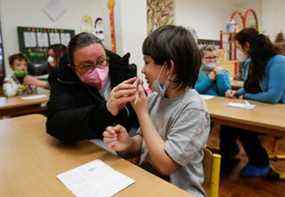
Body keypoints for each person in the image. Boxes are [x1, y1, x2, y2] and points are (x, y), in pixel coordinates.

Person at [103, 25, 210, 196]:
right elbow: (144, 142)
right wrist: (128, 143)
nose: (143, 70)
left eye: (147, 62)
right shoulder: (155, 98)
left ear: (169, 67)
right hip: (150, 184)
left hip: (179, 191)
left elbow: (165, 164)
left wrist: (142, 113)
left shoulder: (193, 109)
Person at [46, 32, 137, 143]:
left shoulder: (121, 69)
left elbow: (139, 114)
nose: (97, 71)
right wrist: (106, 110)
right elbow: (56, 124)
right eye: (86, 66)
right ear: (73, 68)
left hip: (127, 138)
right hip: (91, 143)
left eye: (101, 61)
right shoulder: (64, 79)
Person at [223, 28, 285, 177]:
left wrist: (246, 97)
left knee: (243, 125)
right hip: (266, 108)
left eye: (239, 48)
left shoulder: (278, 62)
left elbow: (273, 97)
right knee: (229, 122)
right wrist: (236, 93)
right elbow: (251, 86)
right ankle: (228, 157)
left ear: (247, 45)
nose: (239, 52)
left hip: (279, 111)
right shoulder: (255, 62)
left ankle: (260, 163)